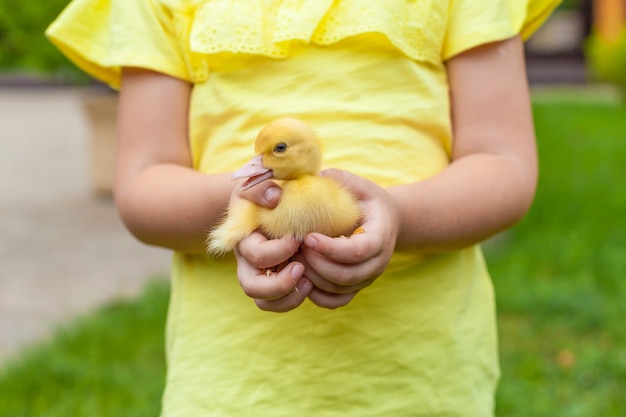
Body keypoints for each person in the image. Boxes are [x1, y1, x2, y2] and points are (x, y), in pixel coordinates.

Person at [47, 1, 561, 415]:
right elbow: (142, 184)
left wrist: (398, 217)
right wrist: (240, 208)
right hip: (233, 388)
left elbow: (503, 163)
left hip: (421, 382)